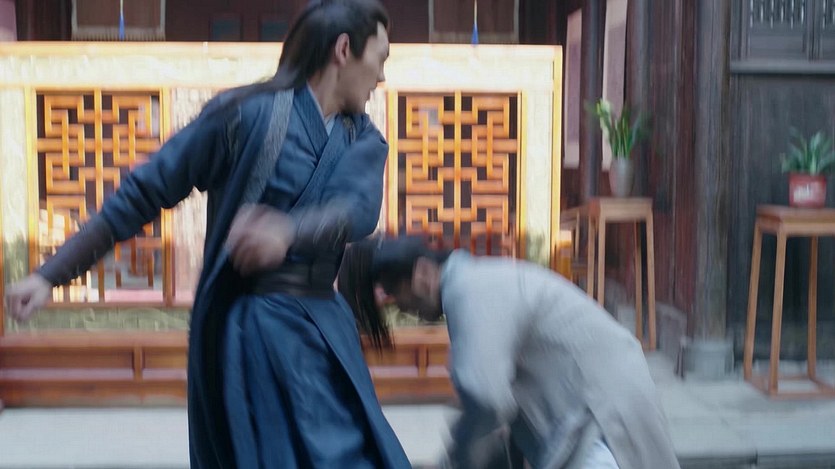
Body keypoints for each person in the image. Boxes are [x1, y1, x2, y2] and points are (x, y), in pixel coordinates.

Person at [4, 1, 411, 468]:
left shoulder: (363, 139)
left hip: (323, 328)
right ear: (343, 50)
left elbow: (356, 210)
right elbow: (145, 190)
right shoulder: (243, 115)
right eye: (380, 58)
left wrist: (288, 231)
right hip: (251, 334)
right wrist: (50, 275)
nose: (382, 76)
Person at [338, 236, 681, 469]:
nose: (403, 309)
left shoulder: (470, 292)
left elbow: (487, 398)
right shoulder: (473, 285)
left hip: (602, 416)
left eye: (397, 295)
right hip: (590, 410)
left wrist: (453, 457)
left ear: (423, 273)